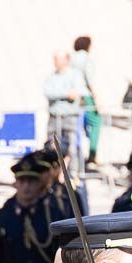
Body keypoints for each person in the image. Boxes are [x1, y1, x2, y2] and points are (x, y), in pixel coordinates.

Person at [44, 51, 86, 170]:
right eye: (55, 59)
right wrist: (65, 94)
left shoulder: (75, 75)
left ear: (66, 60)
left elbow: (78, 92)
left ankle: (73, 175)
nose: (55, 62)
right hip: (54, 117)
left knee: (72, 148)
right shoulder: (51, 77)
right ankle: (52, 173)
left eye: (58, 59)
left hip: (70, 117)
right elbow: (48, 92)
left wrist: (61, 94)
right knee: (51, 146)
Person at [70, 37, 101, 168]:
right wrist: (97, 97)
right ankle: (92, 155)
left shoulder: (71, 58)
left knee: (78, 125)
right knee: (96, 122)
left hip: (74, 96)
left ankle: (76, 156)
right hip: (86, 96)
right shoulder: (87, 59)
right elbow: (90, 79)